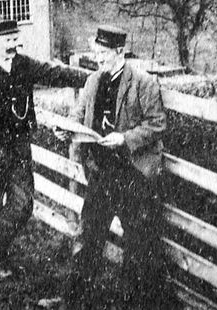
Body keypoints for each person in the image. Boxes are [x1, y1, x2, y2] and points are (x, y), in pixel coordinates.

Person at [39, 25, 172, 309]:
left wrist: (124, 138)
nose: (98, 59)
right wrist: (67, 130)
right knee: (88, 238)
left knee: (138, 244)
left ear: (120, 52)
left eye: (104, 54)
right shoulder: (93, 82)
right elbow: (78, 115)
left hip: (132, 175)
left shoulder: (143, 82)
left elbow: (157, 123)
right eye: (96, 52)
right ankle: (72, 302)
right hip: (100, 173)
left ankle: (134, 303)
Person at [0, 19, 88, 277]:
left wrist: (92, 79)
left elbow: (55, 74)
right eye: (7, 41)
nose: (13, 46)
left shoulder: (24, 65)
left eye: (15, 40)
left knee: (22, 204)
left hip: (18, 148)